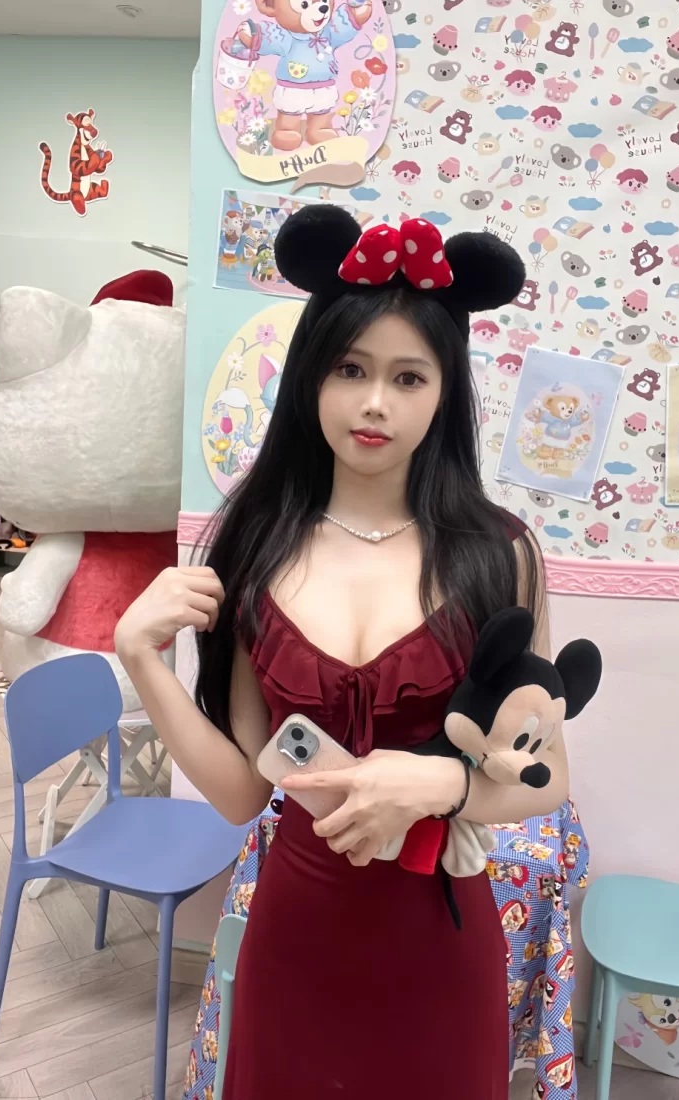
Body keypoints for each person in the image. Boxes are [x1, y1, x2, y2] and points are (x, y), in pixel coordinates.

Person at [115, 206, 570, 1100]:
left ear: (445, 393)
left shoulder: (500, 555)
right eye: (350, 369)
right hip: (299, 929)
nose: (374, 403)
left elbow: (546, 778)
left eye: (409, 377)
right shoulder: (255, 546)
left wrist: (439, 783)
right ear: (309, 378)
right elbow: (243, 791)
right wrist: (140, 655)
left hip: (441, 941)